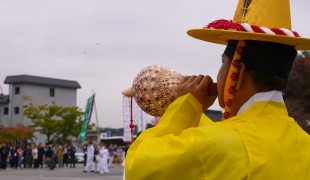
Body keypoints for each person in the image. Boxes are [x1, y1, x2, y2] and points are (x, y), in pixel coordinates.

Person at [125, 0, 310, 179]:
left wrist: (187, 106)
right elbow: (221, 134)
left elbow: (139, 168)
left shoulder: (223, 143)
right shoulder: (304, 142)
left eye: (223, 63)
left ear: (237, 72)